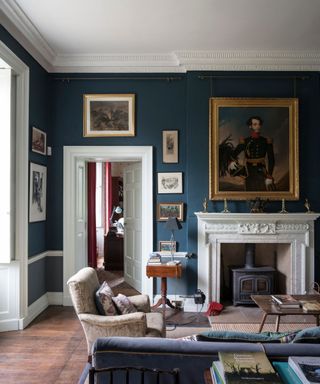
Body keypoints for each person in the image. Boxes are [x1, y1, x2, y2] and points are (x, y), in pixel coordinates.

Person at [228, 116, 275, 191]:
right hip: (248, 172)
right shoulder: (245, 141)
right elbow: (234, 154)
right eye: (255, 124)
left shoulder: (266, 141)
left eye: (259, 124)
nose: (258, 126)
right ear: (250, 126)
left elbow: (271, 159)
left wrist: (269, 175)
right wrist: (232, 161)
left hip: (262, 172)